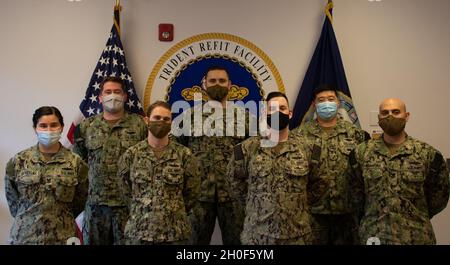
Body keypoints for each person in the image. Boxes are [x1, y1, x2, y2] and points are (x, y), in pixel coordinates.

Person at [349, 98, 449, 244]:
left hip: (417, 236)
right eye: (385, 113)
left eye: (396, 112)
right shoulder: (361, 153)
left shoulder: (428, 154)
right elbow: (354, 196)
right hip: (374, 235)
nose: (390, 116)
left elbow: (439, 197)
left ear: (406, 116)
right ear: (379, 118)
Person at [176, 66, 252, 245]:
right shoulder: (188, 117)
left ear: (230, 85)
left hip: (234, 196)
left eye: (221, 81)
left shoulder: (246, 117)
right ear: (204, 84)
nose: (217, 85)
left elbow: (254, 157)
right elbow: (176, 153)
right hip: (198, 196)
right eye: (212, 81)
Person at [226, 92, 313, 245]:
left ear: (290, 113)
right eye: (272, 109)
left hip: (297, 235)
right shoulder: (247, 148)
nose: (278, 113)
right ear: (265, 114)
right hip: (258, 235)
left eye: (282, 108)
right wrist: (255, 204)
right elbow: (233, 181)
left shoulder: (308, 148)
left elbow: (318, 183)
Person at [291, 85, 370, 245]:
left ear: (338, 103)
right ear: (314, 104)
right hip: (313, 214)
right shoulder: (298, 135)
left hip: (348, 213)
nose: (326, 103)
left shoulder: (357, 135)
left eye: (331, 99)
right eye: (321, 100)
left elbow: (365, 174)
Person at [73, 76, 147, 245]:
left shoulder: (140, 126)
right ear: (100, 97)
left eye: (117, 92)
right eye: (108, 92)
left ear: (125, 96)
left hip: (128, 206)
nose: (112, 96)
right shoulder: (86, 127)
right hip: (95, 206)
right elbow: (79, 166)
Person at [117, 101, 200, 245]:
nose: (161, 122)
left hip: (175, 233)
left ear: (171, 123)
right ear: (147, 120)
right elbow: (124, 190)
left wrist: (172, 210)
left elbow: (192, 193)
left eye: (166, 119)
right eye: (157, 118)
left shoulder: (184, 155)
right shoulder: (131, 155)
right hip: (139, 232)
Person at [5, 106, 88, 244]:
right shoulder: (18, 161)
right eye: (43, 126)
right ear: (35, 128)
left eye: (54, 125)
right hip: (26, 237)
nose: (49, 130)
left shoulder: (76, 163)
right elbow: (13, 202)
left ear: (61, 127)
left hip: (63, 236)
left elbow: (81, 201)